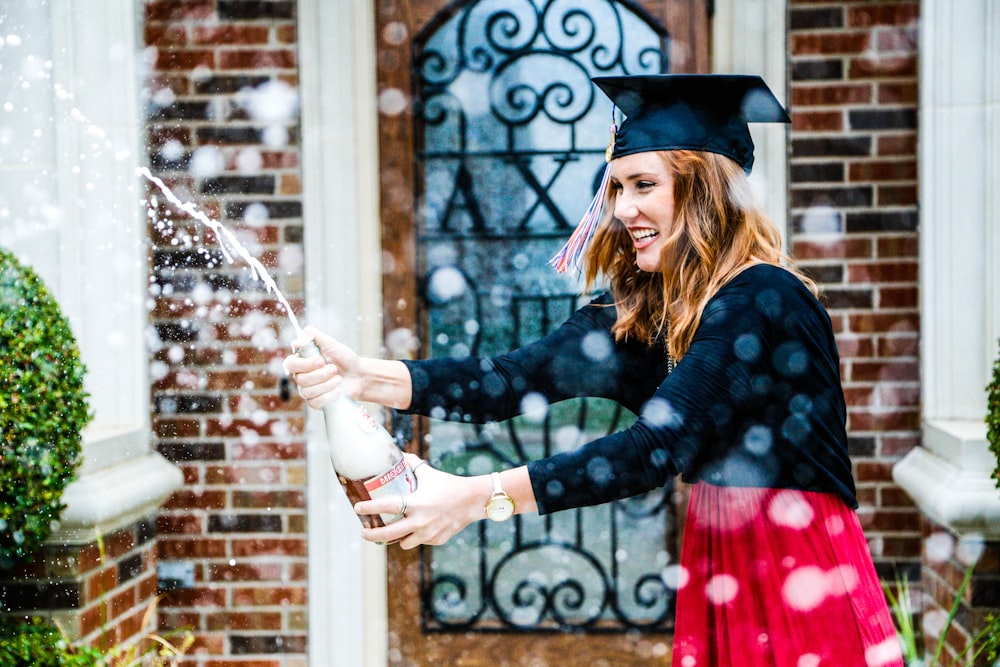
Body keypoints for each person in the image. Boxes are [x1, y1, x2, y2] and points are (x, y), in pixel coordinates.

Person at [284, 74, 904, 667]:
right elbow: (510, 381)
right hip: (723, 558)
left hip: (799, 571)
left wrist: (476, 498)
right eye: (616, 188)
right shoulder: (648, 311)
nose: (622, 208)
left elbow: (658, 446)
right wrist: (364, 375)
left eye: (642, 184)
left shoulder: (763, 298)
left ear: (703, 190)